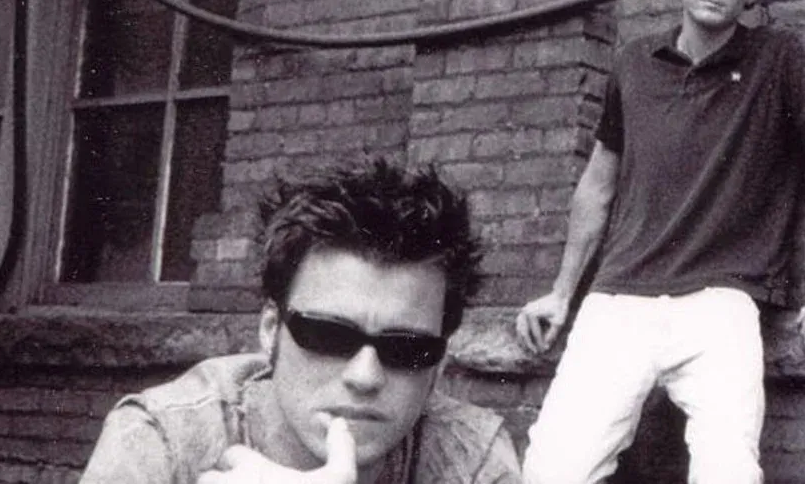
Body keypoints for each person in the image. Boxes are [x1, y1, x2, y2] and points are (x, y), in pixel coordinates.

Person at [514, 0, 805, 484]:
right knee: (552, 470)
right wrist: (560, 293)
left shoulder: (778, 59)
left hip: (720, 303)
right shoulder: (633, 63)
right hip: (619, 299)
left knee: (727, 472)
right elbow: (598, 186)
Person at [79, 159, 523, 484]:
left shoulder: (471, 458)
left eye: (407, 348)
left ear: (440, 363)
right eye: (328, 334)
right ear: (270, 330)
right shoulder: (162, 438)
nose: (365, 376)